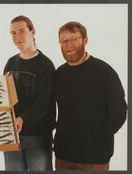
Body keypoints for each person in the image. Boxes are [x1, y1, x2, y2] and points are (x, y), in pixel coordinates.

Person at [54, 21, 127, 170]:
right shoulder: (59, 74)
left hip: (95, 158)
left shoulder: (104, 72)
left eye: (74, 39)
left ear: (85, 40)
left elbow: (119, 113)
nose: (69, 45)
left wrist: (98, 137)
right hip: (63, 157)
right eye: (64, 41)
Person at [3, 15, 56, 171]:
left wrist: (22, 118)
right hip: (11, 135)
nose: (17, 37)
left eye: (22, 31)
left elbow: (43, 103)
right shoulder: (10, 62)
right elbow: (6, 97)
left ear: (33, 32)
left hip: (37, 137)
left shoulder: (45, 65)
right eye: (13, 33)